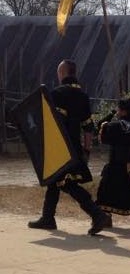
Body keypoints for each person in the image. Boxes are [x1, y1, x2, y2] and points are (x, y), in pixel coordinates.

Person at [28, 59, 109, 235]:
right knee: (55, 181)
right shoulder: (83, 96)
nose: (58, 75)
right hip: (76, 148)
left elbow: (51, 125)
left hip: (61, 148)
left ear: (63, 73)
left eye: (59, 72)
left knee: (67, 184)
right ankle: (48, 218)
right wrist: (87, 151)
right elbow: (88, 128)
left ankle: (97, 215)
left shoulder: (57, 94)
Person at [95, 98, 130, 229]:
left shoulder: (114, 125)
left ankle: (106, 217)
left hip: (115, 163)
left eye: (119, 109)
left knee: (104, 191)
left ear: (123, 111)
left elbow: (100, 128)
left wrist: (110, 115)